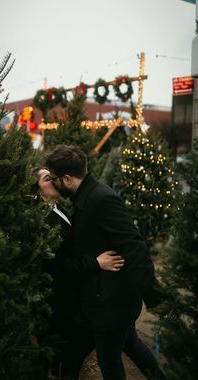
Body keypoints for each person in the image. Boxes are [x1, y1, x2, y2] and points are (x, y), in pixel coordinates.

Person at [45, 145, 166, 380]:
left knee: (109, 363)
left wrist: (153, 296)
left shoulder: (101, 199)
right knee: (131, 346)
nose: (53, 183)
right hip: (104, 299)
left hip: (111, 304)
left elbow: (134, 246)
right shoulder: (85, 197)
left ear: (68, 178)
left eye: (54, 178)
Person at [36, 167, 125, 378]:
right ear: (36, 188)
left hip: (79, 296)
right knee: (69, 358)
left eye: (54, 177)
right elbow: (57, 264)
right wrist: (95, 263)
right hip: (62, 301)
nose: (54, 181)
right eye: (48, 179)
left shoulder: (60, 208)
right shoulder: (42, 219)